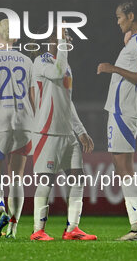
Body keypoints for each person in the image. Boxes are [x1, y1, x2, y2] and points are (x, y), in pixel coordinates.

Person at [97, 0, 137, 241]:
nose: (118, 21)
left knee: (125, 168)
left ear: (131, 16)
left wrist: (114, 68)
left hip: (126, 109)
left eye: (120, 17)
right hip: (119, 108)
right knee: (120, 166)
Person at [30, 31, 97, 241]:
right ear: (49, 41)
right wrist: (61, 46)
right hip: (47, 132)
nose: (65, 42)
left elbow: (68, 101)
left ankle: (72, 229)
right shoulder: (41, 61)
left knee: (78, 179)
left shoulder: (65, 64)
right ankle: (38, 231)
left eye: (66, 39)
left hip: (68, 133)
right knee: (46, 181)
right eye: (59, 38)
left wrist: (81, 131)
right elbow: (57, 73)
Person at [0, 19, 34, 239]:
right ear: (16, 37)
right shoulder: (27, 61)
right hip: (24, 123)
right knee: (17, 178)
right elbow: (33, 97)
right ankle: (12, 229)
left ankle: (1, 210)